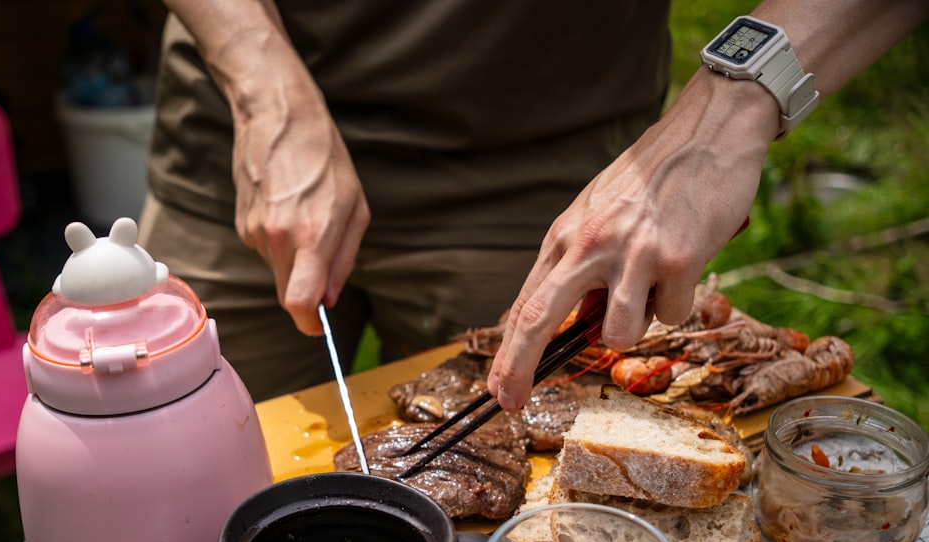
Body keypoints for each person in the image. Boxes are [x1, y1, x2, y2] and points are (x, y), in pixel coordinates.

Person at [139, 0, 927, 405]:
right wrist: (260, 82)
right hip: (240, 154)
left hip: (552, 185)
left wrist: (721, 122)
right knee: (167, 518)